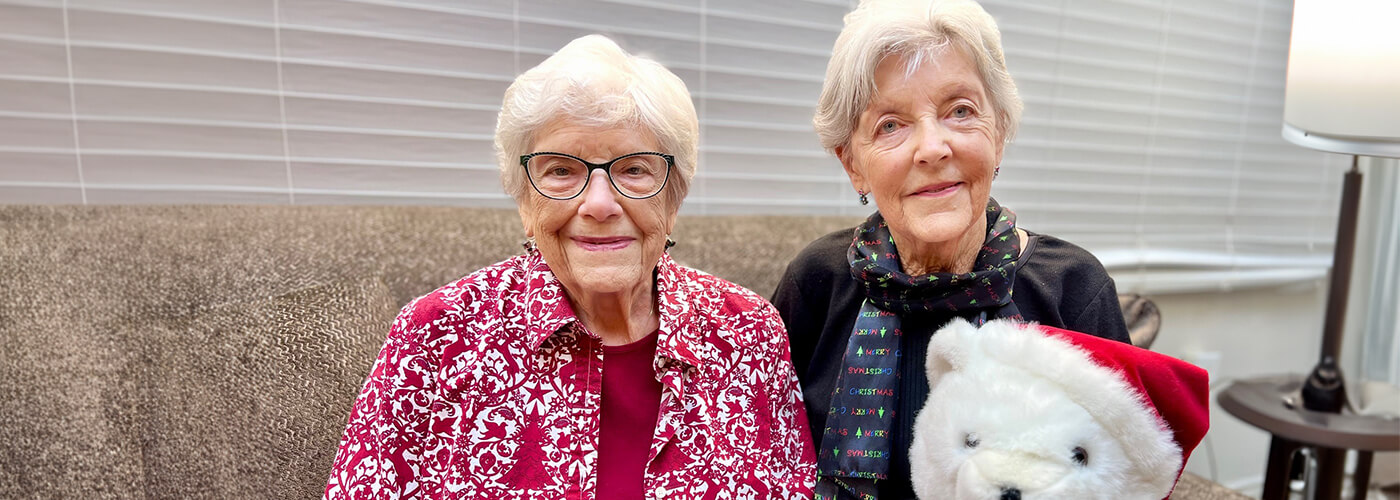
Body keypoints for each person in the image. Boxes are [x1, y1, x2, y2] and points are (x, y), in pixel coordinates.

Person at [325, 35, 815, 499]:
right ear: (523, 201)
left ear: (674, 197)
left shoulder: (748, 333)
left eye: (634, 169)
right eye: (561, 170)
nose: (599, 204)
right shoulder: (435, 338)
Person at [770, 1, 1131, 498]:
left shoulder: (1073, 289)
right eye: (890, 125)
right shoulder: (818, 280)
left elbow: (1125, 473)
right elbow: (761, 453)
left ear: (998, 134)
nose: (933, 147)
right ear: (853, 164)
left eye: (960, 111)